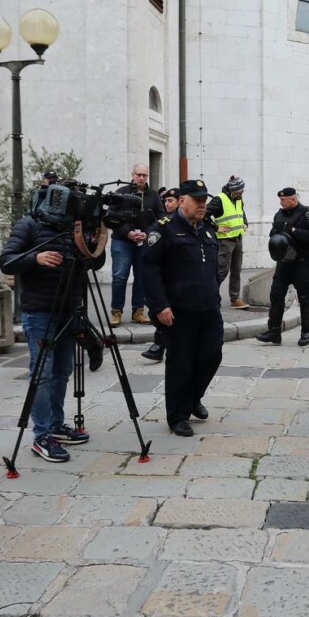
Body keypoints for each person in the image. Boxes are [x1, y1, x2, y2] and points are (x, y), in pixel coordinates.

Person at [0, 188, 106, 463]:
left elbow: (92, 263)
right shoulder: (28, 224)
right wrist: (35, 258)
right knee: (42, 374)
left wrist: (95, 240)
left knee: (62, 370)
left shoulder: (75, 227)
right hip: (40, 311)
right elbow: (7, 261)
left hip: (69, 308)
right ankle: (41, 434)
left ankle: (56, 425)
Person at [142, 180, 224, 437]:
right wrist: (160, 306)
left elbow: (211, 268)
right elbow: (149, 270)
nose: (202, 205)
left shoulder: (208, 230)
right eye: (197, 200)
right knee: (181, 363)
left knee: (212, 356)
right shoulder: (163, 230)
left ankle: (192, 398)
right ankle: (177, 415)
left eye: (204, 200)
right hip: (178, 310)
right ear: (181, 201)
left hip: (208, 308)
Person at [257, 187, 309, 346]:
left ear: (293, 199)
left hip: (302, 262)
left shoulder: (308, 213)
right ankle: (274, 331)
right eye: (280, 200)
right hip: (284, 262)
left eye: (284, 200)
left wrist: (293, 230)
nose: (281, 202)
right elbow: (273, 233)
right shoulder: (279, 214)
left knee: (305, 297)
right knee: (276, 295)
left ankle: (306, 332)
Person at [109, 163, 161, 326]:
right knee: (119, 276)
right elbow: (111, 217)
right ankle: (116, 312)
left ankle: (138, 311)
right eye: (138, 174)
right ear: (132, 175)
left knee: (141, 277)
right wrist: (128, 233)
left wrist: (147, 233)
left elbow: (160, 218)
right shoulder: (120, 193)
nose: (141, 178)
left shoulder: (154, 196)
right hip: (122, 241)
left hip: (144, 242)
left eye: (144, 175)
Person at [140, 187, 178, 363]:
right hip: (164, 277)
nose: (167, 203)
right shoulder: (163, 223)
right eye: (166, 201)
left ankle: (160, 346)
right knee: (158, 310)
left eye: (171, 201)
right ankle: (160, 345)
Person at [206, 175, 249, 308]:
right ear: (234, 190)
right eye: (240, 190)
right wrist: (217, 227)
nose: (242, 193)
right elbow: (204, 215)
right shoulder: (219, 200)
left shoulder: (238, 198)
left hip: (238, 238)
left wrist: (245, 223)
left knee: (236, 270)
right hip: (225, 241)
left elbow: (241, 212)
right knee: (221, 270)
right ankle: (209, 297)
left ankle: (235, 299)